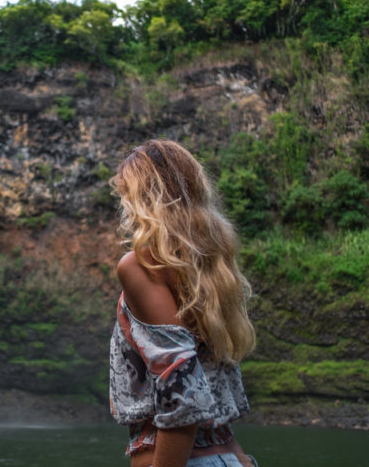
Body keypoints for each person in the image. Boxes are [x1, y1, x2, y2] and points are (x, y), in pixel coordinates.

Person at [108, 139, 258, 467]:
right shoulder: (209, 270)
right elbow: (206, 392)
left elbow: (184, 396)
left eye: (125, 195)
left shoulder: (139, 267)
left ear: (141, 198)